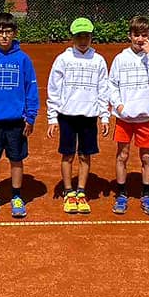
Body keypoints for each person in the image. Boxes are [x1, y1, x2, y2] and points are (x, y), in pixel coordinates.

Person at [0, 12, 39, 219]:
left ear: (14, 33)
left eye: (8, 31)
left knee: (16, 159)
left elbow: (31, 89)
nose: (4, 35)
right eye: (0, 31)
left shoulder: (23, 59)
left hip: (16, 121)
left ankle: (16, 196)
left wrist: (30, 116)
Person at [46, 17, 111, 215]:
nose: (83, 40)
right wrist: (52, 117)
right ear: (72, 37)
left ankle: (81, 192)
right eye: (79, 36)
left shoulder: (98, 60)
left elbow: (103, 90)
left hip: (89, 116)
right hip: (67, 116)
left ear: (91, 37)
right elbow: (53, 89)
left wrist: (105, 116)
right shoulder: (63, 59)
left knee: (85, 155)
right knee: (67, 154)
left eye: (86, 36)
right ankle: (68, 192)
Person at [108, 16, 149, 216]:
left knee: (146, 156)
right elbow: (112, 84)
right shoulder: (120, 59)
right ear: (130, 36)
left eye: (144, 35)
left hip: (145, 117)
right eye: (136, 35)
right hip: (124, 117)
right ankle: (121, 193)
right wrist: (119, 105)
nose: (140, 39)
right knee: (122, 155)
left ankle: (146, 194)